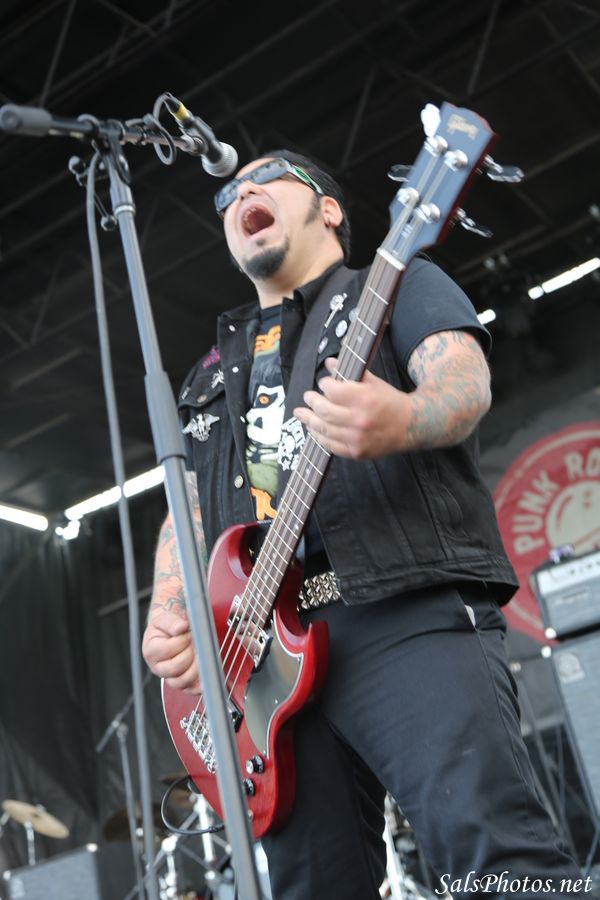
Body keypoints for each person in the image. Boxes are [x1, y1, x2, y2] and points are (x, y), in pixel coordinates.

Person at [142, 151, 582, 899]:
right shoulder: (211, 371)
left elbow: (463, 380)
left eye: (267, 177)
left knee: (497, 862)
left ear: (330, 209)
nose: (242, 191)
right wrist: (170, 607)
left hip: (398, 610)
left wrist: (404, 416)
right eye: (228, 193)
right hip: (262, 668)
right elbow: (185, 504)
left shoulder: (398, 282)